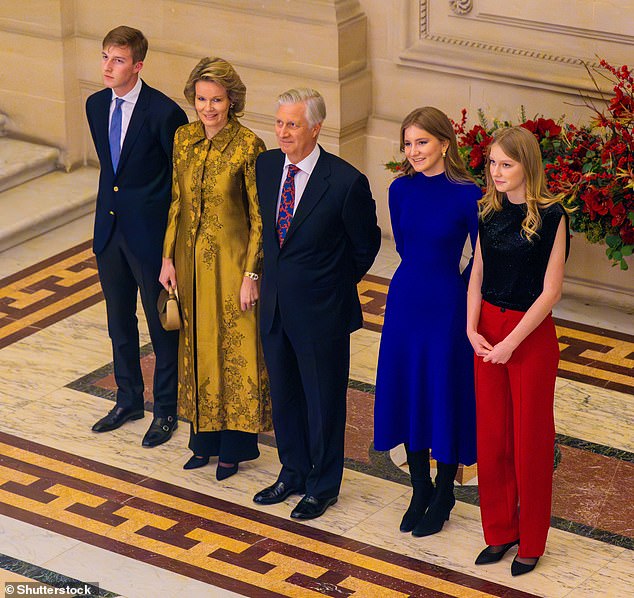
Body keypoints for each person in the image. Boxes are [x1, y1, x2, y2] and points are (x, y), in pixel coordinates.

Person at [252, 88, 381, 520]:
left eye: (293, 124)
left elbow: (365, 247)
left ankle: (322, 486)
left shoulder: (345, 182)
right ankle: (291, 471)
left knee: (323, 402)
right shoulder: (267, 167)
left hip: (322, 314)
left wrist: (331, 287)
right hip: (274, 308)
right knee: (285, 395)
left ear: (316, 128)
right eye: (279, 123)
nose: (283, 132)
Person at [159, 57, 271, 481]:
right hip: (188, 265)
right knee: (197, 348)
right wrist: (167, 258)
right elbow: (176, 201)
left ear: (232, 101)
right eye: (202, 99)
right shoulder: (183, 139)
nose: (208, 108)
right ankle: (202, 441)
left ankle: (235, 447)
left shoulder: (248, 145)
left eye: (217, 100)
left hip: (232, 266)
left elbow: (259, 217)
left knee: (234, 352)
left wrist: (252, 274)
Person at [373, 107, 480, 537]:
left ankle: (443, 492)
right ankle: (419, 487)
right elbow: (403, 244)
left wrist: (466, 294)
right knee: (410, 390)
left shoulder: (468, 193)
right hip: (405, 301)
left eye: (422, 142)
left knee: (442, 392)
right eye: (408, 143)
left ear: (444, 144)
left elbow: (481, 257)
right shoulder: (399, 190)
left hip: (447, 305)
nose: (414, 151)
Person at [467, 126, 569, 576]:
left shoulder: (551, 216)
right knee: (491, 439)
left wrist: (512, 343)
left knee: (529, 441)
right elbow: (477, 273)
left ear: (528, 166)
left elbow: (551, 292)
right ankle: (500, 531)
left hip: (528, 337)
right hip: (487, 329)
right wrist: (471, 329)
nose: (497, 172)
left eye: (506, 164)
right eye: (492, 163)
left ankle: (531, 539)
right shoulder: (486, 211)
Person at [87, 26, 188, 446]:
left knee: (162, 325)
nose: (108, 66)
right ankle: (128, 398)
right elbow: (112, 175)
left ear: (138, 65)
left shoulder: (165, 113)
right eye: (106, 57)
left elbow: (178, 183)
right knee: (118, 321)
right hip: (109, 231)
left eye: (119, 59)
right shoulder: (94, 105)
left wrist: (170, 248)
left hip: (150, 238)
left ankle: (165, 411)